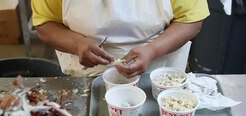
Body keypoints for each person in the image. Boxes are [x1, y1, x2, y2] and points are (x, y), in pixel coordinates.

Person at [31, 0, 210, 78]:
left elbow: (190, 21)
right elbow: (46, 24)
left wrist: (153, 50)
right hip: (85, 75)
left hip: (158, 76)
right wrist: (76, 44)